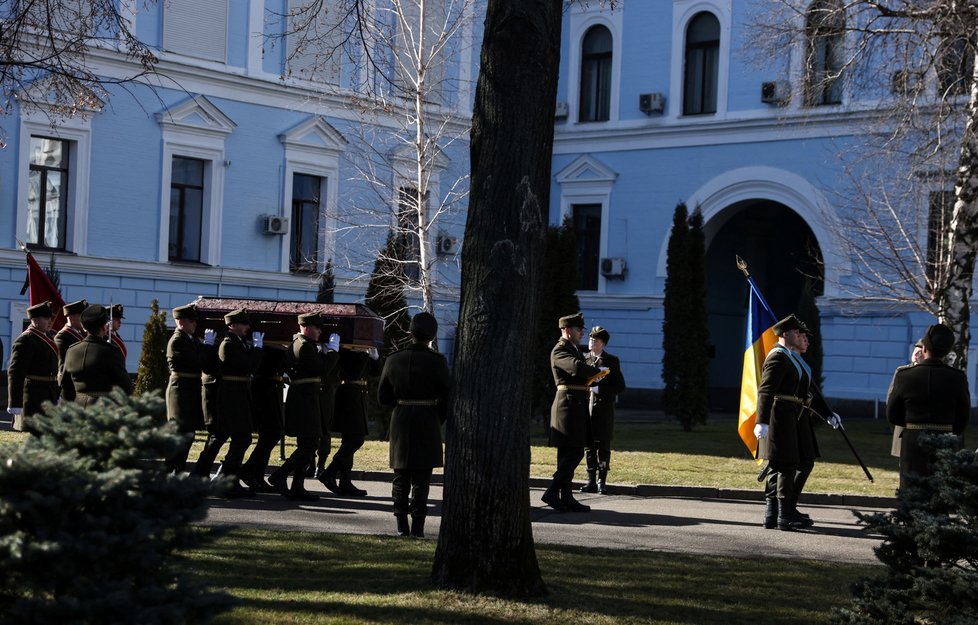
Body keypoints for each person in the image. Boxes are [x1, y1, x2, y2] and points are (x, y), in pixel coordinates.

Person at [753, 314, 836, 531]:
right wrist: (761, 421)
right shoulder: (778, 357)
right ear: (786, 334)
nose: (801, 336)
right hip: (780, 414)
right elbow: (766, 390)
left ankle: (779, 511)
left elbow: (807, 393)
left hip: (795, 414)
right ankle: (782, 513)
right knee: (785, 464)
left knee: (802, 461)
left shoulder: (793, 358)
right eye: (798, 333)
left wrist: (827, 413)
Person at [378, 312, 451, 537]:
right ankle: (417, 528)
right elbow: (447, 395)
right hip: (427, 418)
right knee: (421, 478)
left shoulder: (393, 359)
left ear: (410, 332)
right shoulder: (437, 361)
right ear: (432, 335)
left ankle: (401, 526)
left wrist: (401, 405)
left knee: (400, 476)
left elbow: (383, 396)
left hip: (401, 419)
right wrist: (436, 416)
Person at [886, 323, 971, 490]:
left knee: (911, 494)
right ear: (947, 352)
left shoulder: (905, 376)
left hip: (912, 442)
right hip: (944, 441)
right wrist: (947, 430)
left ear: (924, 349)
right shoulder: (957, 378)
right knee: (938, 494)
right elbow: (963, 418)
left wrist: (913, 425)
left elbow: (893, 415)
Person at [192, 308, 263, 498]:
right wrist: (257, 348)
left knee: (224, 437)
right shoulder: (228, 344)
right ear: (232, 325)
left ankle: (207, 475)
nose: (248, 327)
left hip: (238, 394)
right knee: (242, 438)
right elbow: (249, 366)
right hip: (231, 396)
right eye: (244, 323)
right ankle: (225, 480)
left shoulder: (237, 342)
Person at [269, 313, 340, 501]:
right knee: (309, 445)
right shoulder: (304, 346)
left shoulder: (302, 344)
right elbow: (322, 370)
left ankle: (297, 485)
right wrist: (332, 351)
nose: (320, 332)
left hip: (306, 398)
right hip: (305, 400)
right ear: (306, 327)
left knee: (307, 444)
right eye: (317, 328)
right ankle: (280, 475)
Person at [542, 313, 603, 513]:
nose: (582, 333)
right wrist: (594, 371)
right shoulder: (560, 350)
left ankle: (566, 497)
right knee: (575, 451)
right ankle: (552, 491)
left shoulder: (574, 349)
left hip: (574, 406)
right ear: (568, 330)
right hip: (567, 407)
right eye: (579, 330)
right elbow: (576, 368)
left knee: (568, 453)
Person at [319, 345, 382, 496]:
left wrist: (375, 357)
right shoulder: (344, 350)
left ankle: (345, 481)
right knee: (356, 439)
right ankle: (330, 472)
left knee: (349, 439)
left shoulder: (362, 352)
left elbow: (375, 373)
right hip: (348, 395)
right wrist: (363, 352)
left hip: (359, 395)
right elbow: (353, 373)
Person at [164, 304, 216, 473]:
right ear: (180, 321)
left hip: (190, 389)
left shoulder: (191, 339)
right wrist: (207, 345)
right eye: (192, 321)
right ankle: (169, 471)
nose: (195, 324)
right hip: (180, 391)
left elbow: (206, 361)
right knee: (181, 433)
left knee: (188, 433)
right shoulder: (177, 341)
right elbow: (197, 361)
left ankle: (176, 470)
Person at [580, 325, 626, 495]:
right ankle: (590, 480)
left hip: (604, 412)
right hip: (586, 410)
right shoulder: (584, 359)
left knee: (603, 448)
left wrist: (599, 390)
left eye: (596, 340)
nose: (592, 342)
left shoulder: (611, 361)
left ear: (603, 344)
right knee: (589, 448)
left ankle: (602, 481)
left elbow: (620, 386)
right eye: (591, 339)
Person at [240, 343, 289, 491]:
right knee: (271, 433)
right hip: (263, 388)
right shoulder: (261, 344)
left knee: (271, 434)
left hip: (271, 387)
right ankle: (249, 471)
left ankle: (257, 475)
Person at [62, 304, 133, 406]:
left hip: (78, 408)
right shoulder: (111, 351)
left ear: (84, 327)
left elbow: (66, 385)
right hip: (102, 410)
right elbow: (126, 387)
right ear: (104, 327)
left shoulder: (72, 350)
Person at [6, 301, 59, 432]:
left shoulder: (49, 337)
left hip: (49, 394)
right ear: (34, 319)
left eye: (50, 318)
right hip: (33, 397)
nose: (50, 321)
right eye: (46, 318)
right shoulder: (25, 340)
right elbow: (15, 373)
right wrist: (15, 403)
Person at [890, 340, 924, 459]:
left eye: (920, 353)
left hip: (920, 421)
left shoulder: (927, 372)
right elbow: (892, 396)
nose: (916, 355)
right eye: (915, 351)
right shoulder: (902, 371)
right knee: (903, 457)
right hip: (903, 420)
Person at [54, 299, 88, 400]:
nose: (84, 319)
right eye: (81, 316)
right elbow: (63, 367)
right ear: (71, 317)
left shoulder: (83, 334)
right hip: (71, 389)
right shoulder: (62, 337)